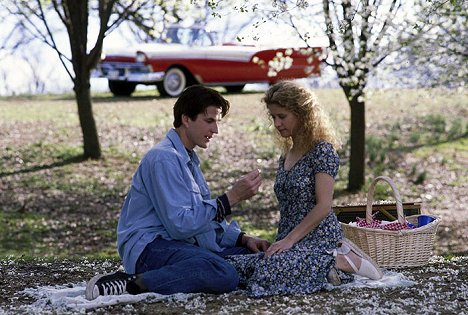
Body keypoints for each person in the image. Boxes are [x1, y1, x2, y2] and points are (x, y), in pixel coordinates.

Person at [85, 85, 270, 300]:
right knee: (225, 274)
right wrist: (232, 198)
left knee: (255, 257)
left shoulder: (189, 159)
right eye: (209, 121)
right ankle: (131, 284)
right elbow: (181, 225)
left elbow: (201, 219)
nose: (215, 130)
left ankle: (185, 272)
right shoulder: (163, 158)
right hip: (149, 248)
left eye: (217, 123)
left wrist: (242, 239)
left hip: (180, 244)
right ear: (186, 119)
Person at [225, 80, 383, 297]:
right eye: (273, 117)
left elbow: (324, 205)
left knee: (267, 274)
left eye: (282, 116)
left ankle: (342, 260)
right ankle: (326, 271)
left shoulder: (322, 151)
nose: (277, 123)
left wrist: (290, 240)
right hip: (290, 241)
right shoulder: (286, 155)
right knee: (232, 267)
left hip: (319, 239)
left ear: (302, 114)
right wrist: (285, 240)